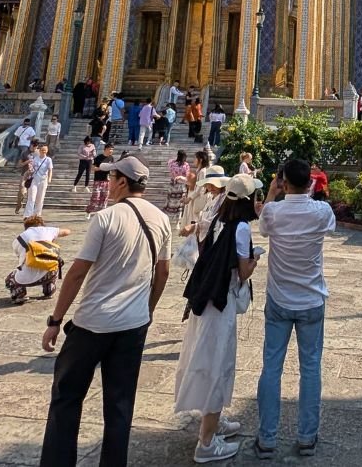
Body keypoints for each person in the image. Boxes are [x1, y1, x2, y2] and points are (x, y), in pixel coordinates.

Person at [38, 155, 171, 467]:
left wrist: (55, 320)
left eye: (111, 179)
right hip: (133, 324)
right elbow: (163, 273)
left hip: (92, 323)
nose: (108, 184)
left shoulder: (106, 218)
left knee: (67, 397)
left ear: (123, 182)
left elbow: (76, 273)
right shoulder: (162, 219)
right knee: (120, 405)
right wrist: (146, 311)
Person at [174, 172, 263, 463]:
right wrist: (256, 257)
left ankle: (214, 421)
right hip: (221, 302)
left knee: (207, 359)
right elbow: (244, 270)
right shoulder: (241, 229)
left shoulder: (216, 219)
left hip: (205, 298)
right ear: (248, 200)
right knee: (217, 364)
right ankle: (207, 442)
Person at [254, 159, 336, 459]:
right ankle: (306, 437)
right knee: (311, 369)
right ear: (311, 183)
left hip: (279, 300)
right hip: (312, 300)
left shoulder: (274, 212)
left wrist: (272, 193)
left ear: (283, 182)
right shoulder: (321, 212)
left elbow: (262, 224)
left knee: (271, 368)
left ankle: (266, 439)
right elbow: (327, 223)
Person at [7, 215, 71, 305]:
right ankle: (49, 289)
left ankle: (19, 294)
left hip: (26, 277)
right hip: (48, 273)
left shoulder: (18, 239)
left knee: (10, 279)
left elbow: (20, 258)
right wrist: (51, 241)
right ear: (41, 224)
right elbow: (67, 232)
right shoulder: (49, 230)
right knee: (54, 262)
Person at [182, 165, 227, 243]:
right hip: (205, 239)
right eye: (208, 183)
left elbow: (217, 220)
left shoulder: (224, 199)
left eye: (214, 183)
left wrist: (196, 227)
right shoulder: (211, 197)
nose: (210, 187)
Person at [23, 142, 53, 218]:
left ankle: (37, 215)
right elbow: (31, 169)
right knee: (31, 198)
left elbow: (50, 170)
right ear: (39, 150)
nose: (44, 152)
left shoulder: (48, 160)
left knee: (40, 199)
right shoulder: (35, 159)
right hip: (34, 180)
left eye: (45, 150)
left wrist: (49, 179)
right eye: (42, 150)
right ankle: (27, 215)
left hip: (43, 180)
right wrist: (30, 169)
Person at [86, 143, 115, 216]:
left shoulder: (111, 158)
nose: (111, 151)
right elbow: (92, 168)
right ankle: (89, 211)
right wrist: (101, 168)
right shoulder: (98, 157)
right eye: (110, 149)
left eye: (112, 149)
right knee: (96, 197)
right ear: (105, 149)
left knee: (104, 198)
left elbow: (112, 168)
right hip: (98, 180)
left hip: (107, 180)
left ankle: (101, 213)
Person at [167, 150, 192, 214]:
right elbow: (187, 177)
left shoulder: (172, 163)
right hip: (182, 186)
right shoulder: (185, 165)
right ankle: (178, 218)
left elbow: (169, 165)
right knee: (180, 203)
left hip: (173, 184)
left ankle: (170, 215)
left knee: (171, 201)